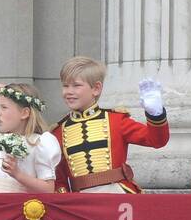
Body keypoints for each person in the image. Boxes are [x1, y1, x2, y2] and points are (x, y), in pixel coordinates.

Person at [52, 57, 168, 193]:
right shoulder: (58, 132)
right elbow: (59, 179)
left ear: (96, 88)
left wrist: (155, 114)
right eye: (65, 85)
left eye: (76, 85)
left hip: (116, 194)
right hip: (80, 201)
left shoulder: (116, 121)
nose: (69, 91)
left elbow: (157, 141)